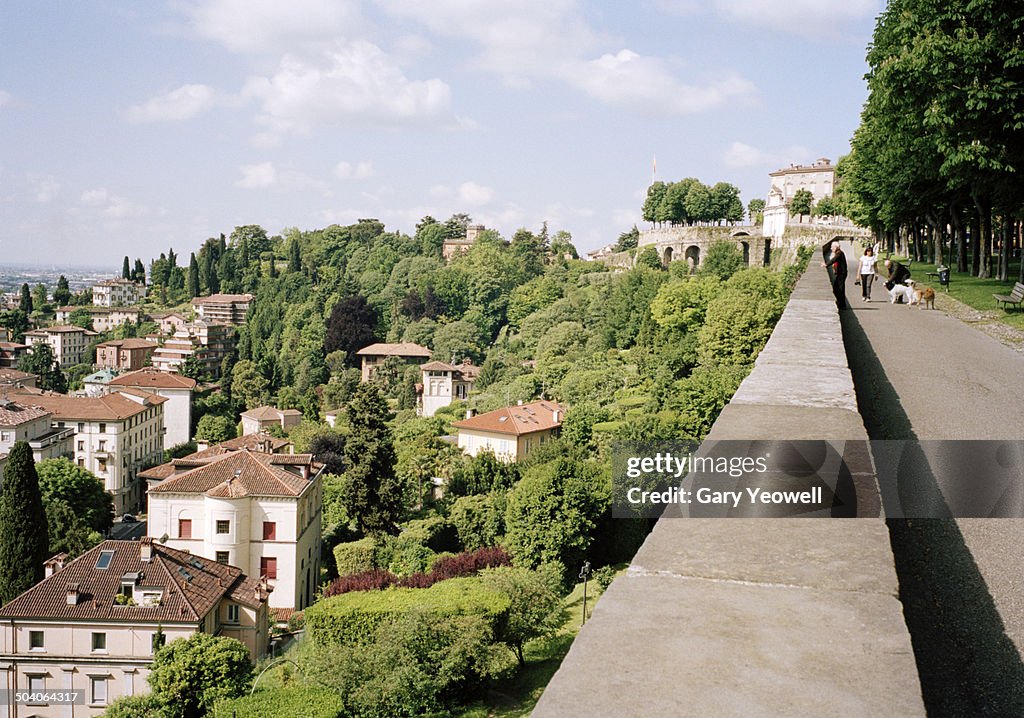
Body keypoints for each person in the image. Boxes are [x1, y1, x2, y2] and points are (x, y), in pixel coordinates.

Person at [822, 243, 848, 309]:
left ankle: (841, 304)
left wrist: (826, 264)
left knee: (839, 288)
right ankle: (841, 304)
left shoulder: (839, 253)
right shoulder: (839, 252)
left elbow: (833, 260)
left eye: (832, 247)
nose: (831, 249)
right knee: (837, 288)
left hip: (841, 273)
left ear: (836, 247)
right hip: (841, 273)